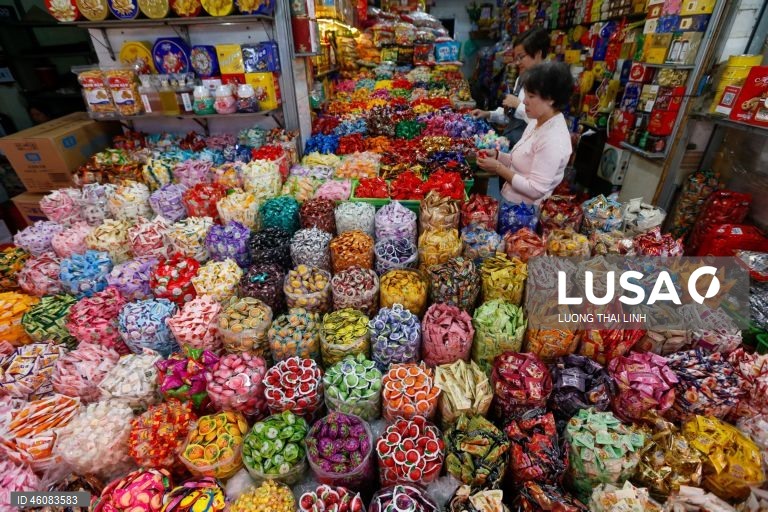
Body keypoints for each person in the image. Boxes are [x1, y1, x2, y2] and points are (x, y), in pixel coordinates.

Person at [476, 61, 574, 205]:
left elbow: (535, 190)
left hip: (524, 212)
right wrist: (498, 156)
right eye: (526, 95)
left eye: (532, 96)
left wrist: (498, 168)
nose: (525, 101)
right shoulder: (537, 120)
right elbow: (521, 162)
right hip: (510, 201)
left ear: (551, 99)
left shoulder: (554, 139)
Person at [471, 27, 549, 146]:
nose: (517, 62)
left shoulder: (549, 84)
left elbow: (543, 125)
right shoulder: (521, 78)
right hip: (511, 146)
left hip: (529, 151)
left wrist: (518, 105)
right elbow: (512, 116)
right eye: (516, 58)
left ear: (538, 54)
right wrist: (488, 114)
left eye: (521, 57)